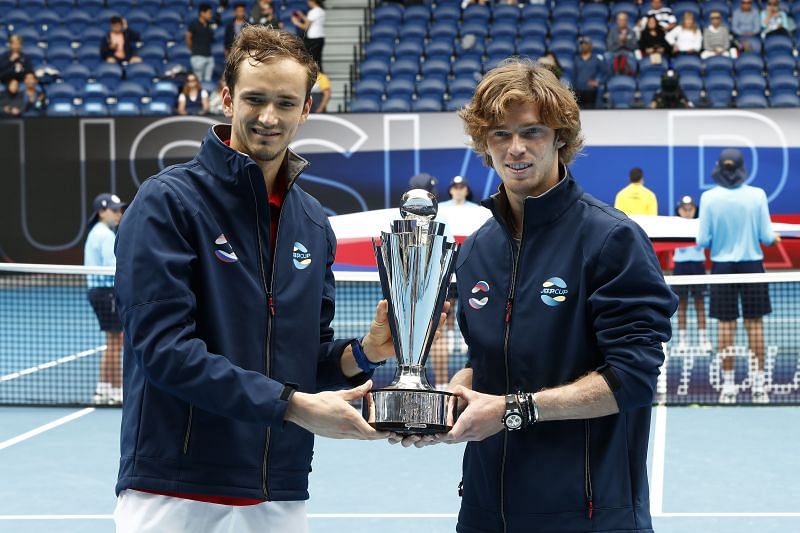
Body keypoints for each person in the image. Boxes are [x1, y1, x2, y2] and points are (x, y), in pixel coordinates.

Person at [112, 26, 402, 532]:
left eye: (285, 103)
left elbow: (302, 360)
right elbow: (163, 351)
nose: (269, 117)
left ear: (306, 109)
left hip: (278, 488)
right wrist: (291, 407)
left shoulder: (312, 223)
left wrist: (366, 354)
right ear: (226, 99)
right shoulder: (167, 203)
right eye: (255, 99)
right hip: (175, 486)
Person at [391, 58, 677, 533]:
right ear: (484, 143)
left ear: (560, 137)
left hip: (588, 514)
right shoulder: (478, 249)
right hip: (485, 509)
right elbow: (484, 364)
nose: (516, 148)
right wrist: (446, 402)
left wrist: (514, 410)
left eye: (533, 131)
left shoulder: (612, 240)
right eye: (500, 134)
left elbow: (633, 379)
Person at [697, 149, 781, 404]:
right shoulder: (757, 196)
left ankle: (729, 387)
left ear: (719, 167)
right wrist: (773, 238)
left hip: (722, 269)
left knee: (726, 327)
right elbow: (767, 237)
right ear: (743, 168)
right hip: (752, 267)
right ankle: (759, 387)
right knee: (755, 326)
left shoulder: (709, 198)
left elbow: (702, 240)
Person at [85, 193, 127, 405]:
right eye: (114, 209)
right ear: (102, 212)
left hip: (99, 292)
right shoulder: (105, 235)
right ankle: (116, 390)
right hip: (105, 292)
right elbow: (115, 269)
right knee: (115, 342)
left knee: (114, 341)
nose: (119, 213)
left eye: (120, 209)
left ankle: (104, 389)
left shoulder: (98, 232)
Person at [671, 195, 711, 351]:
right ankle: (682, 341)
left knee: (700, 305)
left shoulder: (701, 224)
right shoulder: (673, 225)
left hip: (697, 268)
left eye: (690, 209)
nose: (687, 212)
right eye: (684, 209)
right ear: (679, 210)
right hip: (680, 268)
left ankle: (703, 340)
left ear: (694, 210)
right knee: (682, 305)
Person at [291, 0, 326, 71]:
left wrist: (296, 22)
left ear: (313, 1)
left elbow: (305, 27)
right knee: (318, 59)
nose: (308, 3)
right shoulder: (321, 11)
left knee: (312, 59)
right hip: (320, 38)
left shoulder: (313, 12)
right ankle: (320, 76)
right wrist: (302, 15)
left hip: (313, 39)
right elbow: (310, 20)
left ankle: (315, 76)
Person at [572, 37, 604, 109]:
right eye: (582, 44)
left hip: (591, 91)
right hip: (578, 91)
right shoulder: (576, 59)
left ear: (590, 46)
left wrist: (598, 81)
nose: (583, 46)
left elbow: (603, 73)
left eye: (585, 44)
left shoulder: (596, 59)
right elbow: (573, 75)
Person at [186, 3, 216, 82]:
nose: (211, 15)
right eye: (209, 13)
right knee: (198, 81)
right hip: (197, 56)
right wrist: (193, 50)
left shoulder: (210, 25)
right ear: (202, 13)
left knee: (208, 81)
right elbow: (188, 37)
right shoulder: (194, 24)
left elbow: (212, 39)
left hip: (209, 56)